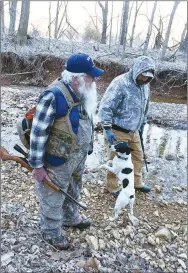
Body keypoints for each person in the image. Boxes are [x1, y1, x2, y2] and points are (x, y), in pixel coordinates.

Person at [28, 53, 104, 250]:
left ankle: (70, 218)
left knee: (73, 188)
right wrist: (36, 166)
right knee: (52, 195)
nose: (94, 79)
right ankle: (50, 232)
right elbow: (38, 132)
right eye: (90, 76)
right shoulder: (53, 96)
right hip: (56, 161)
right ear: (77, 78)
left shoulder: (83, 94)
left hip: (76, 158)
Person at [99, 55, 155, 198]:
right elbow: (106, 106)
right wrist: (106, 128)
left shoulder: (145, 86)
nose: (145, 79)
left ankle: (136, 182)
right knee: (115, 160)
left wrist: (142, 124)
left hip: (134, 130)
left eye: (148, 76)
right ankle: (113, 187)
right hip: (117, 130)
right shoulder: (120, 83)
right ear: (137, 70)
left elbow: (145, 106)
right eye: (143, 75)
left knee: (138, 157)